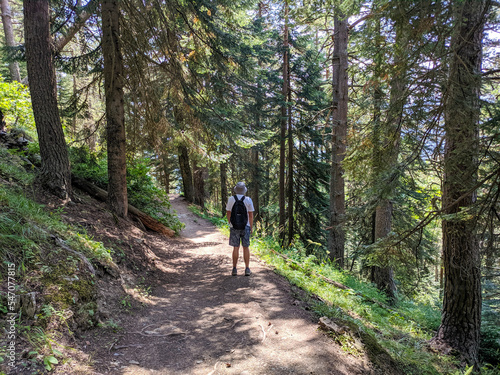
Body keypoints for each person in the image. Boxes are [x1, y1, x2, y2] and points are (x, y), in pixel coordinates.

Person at [226, 182, 254, 276]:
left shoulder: (231, 199)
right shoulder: (248, 200)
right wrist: (251, 227)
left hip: (234, 226)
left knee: (236, 248)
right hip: (245, 226)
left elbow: (228, 213)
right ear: (244, 190)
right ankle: (247, 268)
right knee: (246, 247)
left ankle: (234, 269)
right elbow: (250, 215)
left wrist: (231, 223)